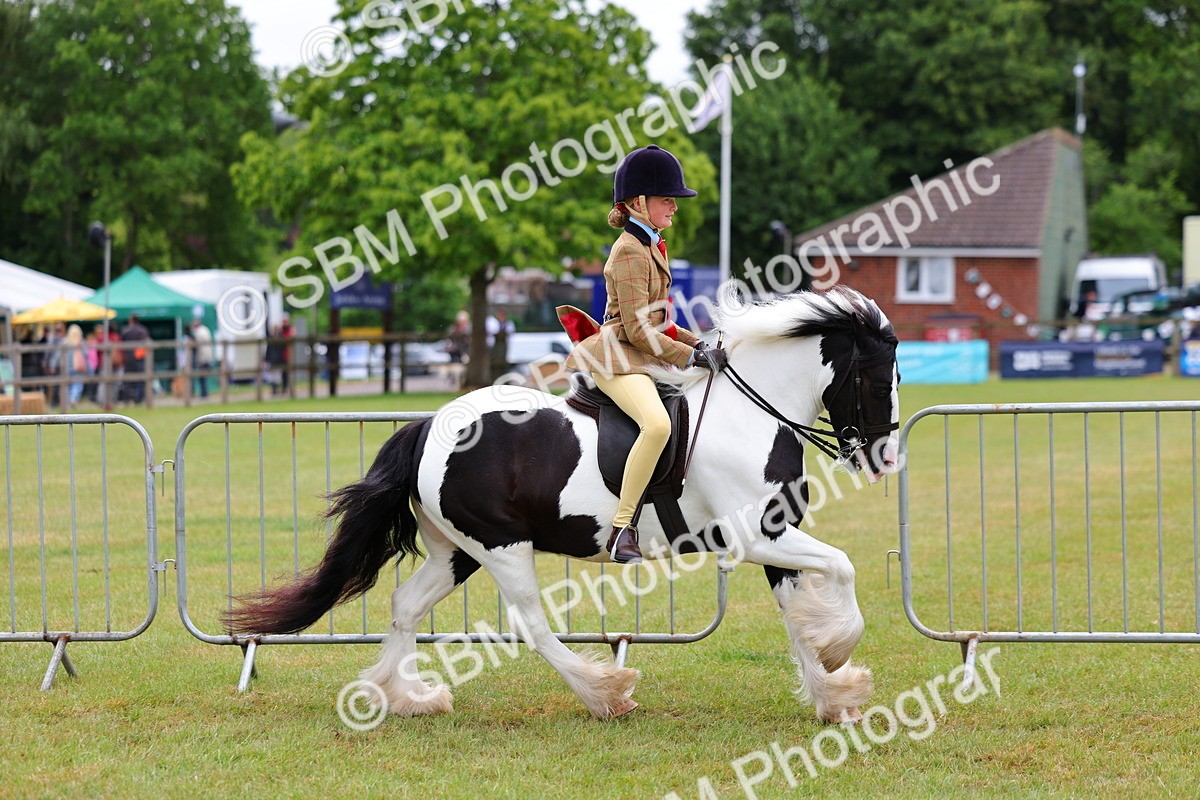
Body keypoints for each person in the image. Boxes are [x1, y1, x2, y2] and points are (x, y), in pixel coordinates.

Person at [559, 144, 728, 563]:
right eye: (667, 199)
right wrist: (687, 358)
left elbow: (662, 322)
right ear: (638, 203)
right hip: (616, 355)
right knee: (655, 425)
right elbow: (637, 329)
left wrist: (701, 344)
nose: (674, 206)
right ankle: (621, 528)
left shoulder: (651, 244)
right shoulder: (631, 251)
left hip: (637, 352)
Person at [120, 315, 150, 404]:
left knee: (127, 380)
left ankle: (126, 399)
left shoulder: (125, 330)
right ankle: (138, 398)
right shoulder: (143, 330)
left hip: (128, 358)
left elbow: (121, 343)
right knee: (140, 379)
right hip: (139, 358)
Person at [64, 323, 92, 406]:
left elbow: (59, 356)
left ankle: (69, 400)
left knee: (69, 385)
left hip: (67, 368)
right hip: (78, 367)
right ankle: (73, 399)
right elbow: (86, 354)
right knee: (77, 384)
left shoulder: (65, 342)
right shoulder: (81, 342)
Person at [190, 317, 215, 398]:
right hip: (205, 356)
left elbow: (197, 343)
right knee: (203, 376)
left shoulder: (200, 331)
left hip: (203, 356)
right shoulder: (204, 330)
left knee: (203, 376)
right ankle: (204, 393)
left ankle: (204, 393)